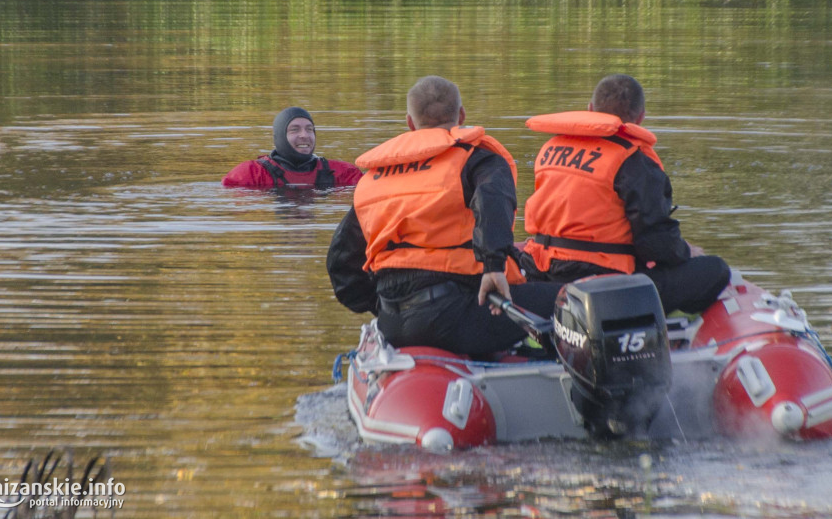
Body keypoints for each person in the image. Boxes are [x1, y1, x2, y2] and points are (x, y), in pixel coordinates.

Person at [326, 76, 561, 356]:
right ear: (461, 116)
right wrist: (494, 267)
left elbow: (340, 264)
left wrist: (381, 306)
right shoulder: (477, 160)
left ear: (410, 123)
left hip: (392, 322)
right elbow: (492, 203)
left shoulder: (375, 178)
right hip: (454, 319)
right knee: (569, 298)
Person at [519, 74, 730, 315]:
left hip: (541, 270)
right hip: (601, 283)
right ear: (640, 118)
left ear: (590, 109)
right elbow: (656, 245)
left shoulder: (551, 148)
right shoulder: (634, 162)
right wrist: (685, 251)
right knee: (716, 270)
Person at [222, 106, 363, 189]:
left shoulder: (343, 173)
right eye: (294, 130)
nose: (304, 135)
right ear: (280, 137)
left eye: (309, 129)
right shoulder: (251, 174)